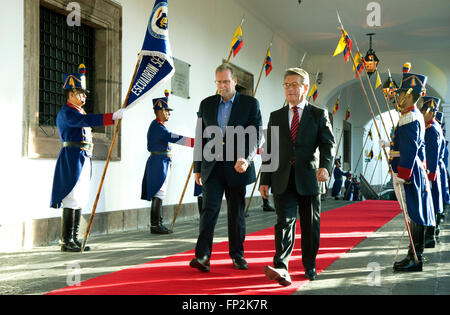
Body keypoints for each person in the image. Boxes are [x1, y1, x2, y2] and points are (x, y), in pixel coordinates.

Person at [259, 68, 335, 285]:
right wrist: (265, 179)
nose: (290, 89)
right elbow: (270, 150)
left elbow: (328, 144)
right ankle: (281, 267)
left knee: (311, 225)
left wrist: (326, 167)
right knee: (284, 222)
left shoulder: (318, 114)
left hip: (311, 179)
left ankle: (309, 264)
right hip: (282, 178)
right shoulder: (276, 116)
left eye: (294, 84)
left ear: (305, 88)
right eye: (286, 85)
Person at [190, 63, 262, 272]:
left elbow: (256, 134)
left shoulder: (250, 104)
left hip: (237, 166)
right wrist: (197, 167)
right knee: (208, 210)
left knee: (236, 212)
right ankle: (203, 256)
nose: (222, 86)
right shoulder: (207, 104)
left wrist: (247, 158)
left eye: (226, 82)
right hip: (211, 167)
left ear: (235, 82)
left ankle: (237, 255)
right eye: (219, 82)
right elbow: (200, 137)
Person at [50, 64, 126, 252]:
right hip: (72, 157)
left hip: (82, 157)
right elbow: (84, 122)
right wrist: (111, 117)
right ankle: (65, 241)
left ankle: (74, 238)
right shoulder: (68, 112)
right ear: (71, 94)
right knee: (71, 197)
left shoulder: (78, 111)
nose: (84, 96)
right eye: (81, 93)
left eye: (84, 93)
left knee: (80, 197)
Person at [381, 69, 435, 272]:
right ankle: (413, 253)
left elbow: (411, 148)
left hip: (410, 174)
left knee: (414, 215)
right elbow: (404, 144)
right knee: (413, 214)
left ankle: (415, 256)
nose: (398, 96)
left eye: (401, 93)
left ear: (410, 95)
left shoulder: (411, 117)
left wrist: (403, 175)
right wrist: (390, 145)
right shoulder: (408, 116)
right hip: (410, 173)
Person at [141, 91, 193, 234]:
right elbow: (172, 137)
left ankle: (158, 223)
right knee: (158, 193)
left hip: (162, 161)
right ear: (159, 111)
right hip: (158, 162)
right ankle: (155, 225)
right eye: (166, 111)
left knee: (160, 193)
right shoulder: (157, 127)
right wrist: (193, 142)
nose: (169, 114)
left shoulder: (159, 126)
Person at [421, 96, 444, 246]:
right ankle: (430, 235)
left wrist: (430, 175)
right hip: (434, 169)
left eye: (424, 111)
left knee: (431, 204)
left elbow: (432, 154)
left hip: (431, 169)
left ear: (431, 113)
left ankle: (429, 237)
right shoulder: (434, 127)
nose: (422, 114)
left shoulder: (431, 130)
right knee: (434, 202)